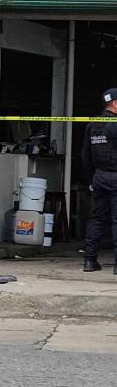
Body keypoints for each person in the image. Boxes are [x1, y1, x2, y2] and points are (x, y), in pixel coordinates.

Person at [81, 88, 117, 274]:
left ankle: (89, 261)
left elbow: (85, 156)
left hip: (99, 178)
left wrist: (90, 180)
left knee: (96, 219)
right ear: (115, 104)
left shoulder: (93, 125)